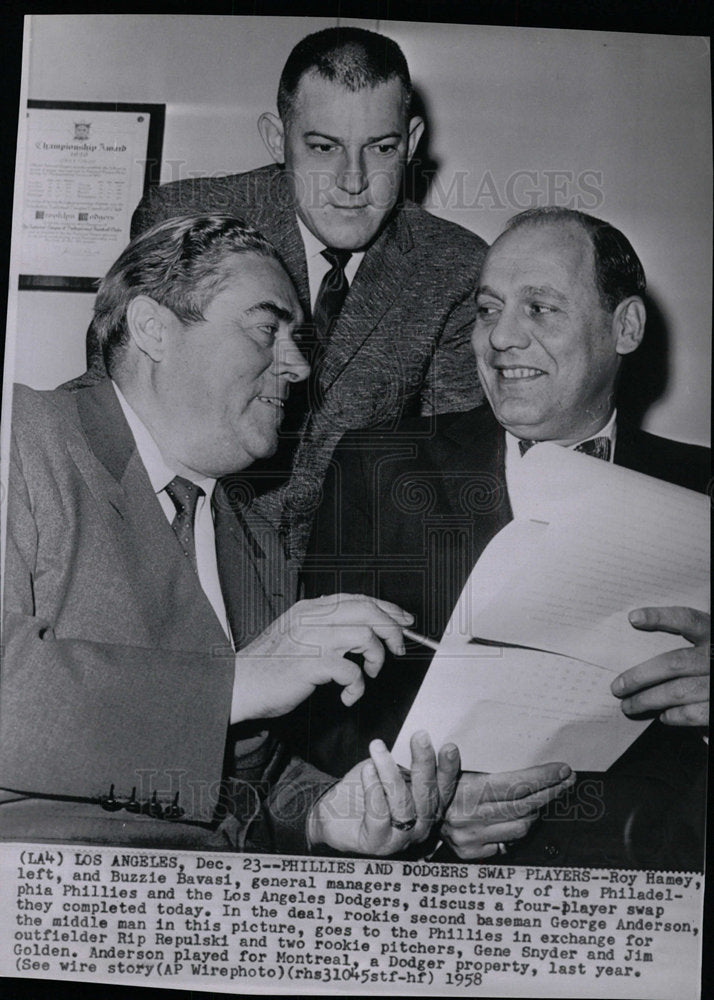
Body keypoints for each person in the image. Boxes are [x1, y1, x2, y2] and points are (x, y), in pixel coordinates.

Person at [0, 214, 462, 857]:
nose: (298, 365)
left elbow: (242, 783)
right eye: (267, 329)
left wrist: (327, 815)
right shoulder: (20, 437)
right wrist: (237, 681)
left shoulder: (251, 537)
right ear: (152, 327)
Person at [302, 207, 710, 868]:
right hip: (437, 883)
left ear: (625, 327)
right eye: (489, 310)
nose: (501, 340)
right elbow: (320, 711)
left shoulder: (702, 488)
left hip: (649, 882)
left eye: (540, 309)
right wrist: (429, 806)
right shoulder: (380, 467)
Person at [83, 26, 487, 558]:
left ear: (410, 143)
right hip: (187, 555)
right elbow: (112, 423)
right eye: (323, 148)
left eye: (382, 148)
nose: (353, 180)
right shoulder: (190, 219)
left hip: (350, 575)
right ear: (278, 139)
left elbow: (441, 471)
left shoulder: (455, 267)